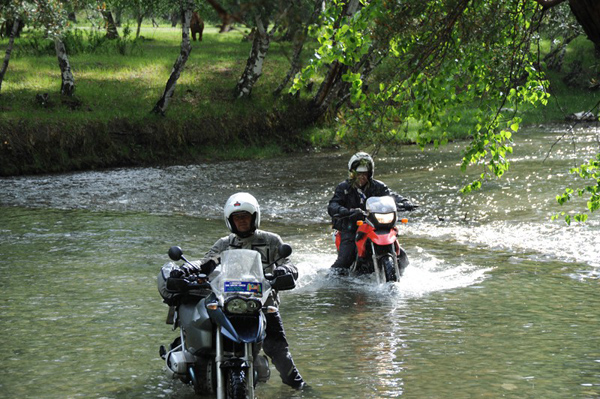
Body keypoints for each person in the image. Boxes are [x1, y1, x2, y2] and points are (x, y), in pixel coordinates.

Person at [173, 192, 305, 390]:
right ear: (230, 221)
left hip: (262, 303)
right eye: (237, 217)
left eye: (245, 216)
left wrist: (286, 270)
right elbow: (207, 261)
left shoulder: (271, 241)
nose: (242, 221)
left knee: (279, 351)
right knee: (205, 329)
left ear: (254, 217)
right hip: (230, 301)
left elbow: (288, 263)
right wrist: (189, 268)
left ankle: (299, 387)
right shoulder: (224, 243)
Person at [328, 152, 417, 273]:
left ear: (369, 174)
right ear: (352, 173)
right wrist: (347, 211)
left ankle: (401, 273)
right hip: (351, 226)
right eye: (358, 174)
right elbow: (333, 205)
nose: (362, 177)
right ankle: (331, 281)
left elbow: (391, 196)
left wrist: (405, 202)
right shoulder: (344, 188)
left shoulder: (378, 186)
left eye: (364, 174)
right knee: (345, 260)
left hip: (374, 224)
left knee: (402, 256)